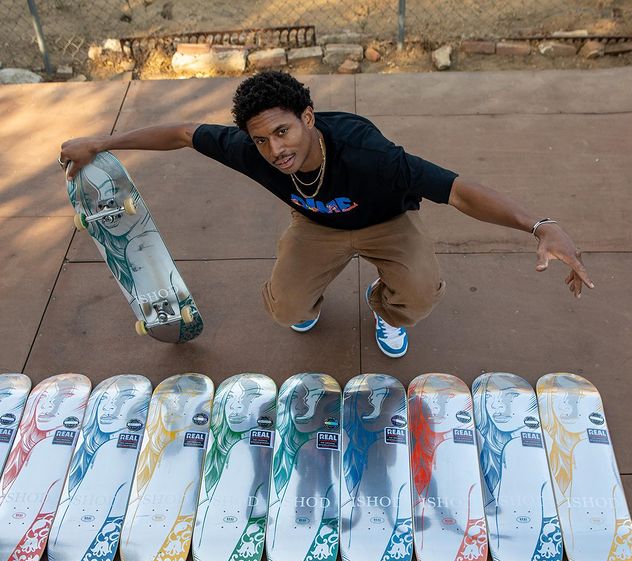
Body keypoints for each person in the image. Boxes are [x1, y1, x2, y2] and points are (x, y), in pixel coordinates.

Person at [60, 71, 593, 358]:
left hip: (387, 222)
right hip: (316, 224)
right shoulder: (252, 148)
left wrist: (539, 225)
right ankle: (309, 297)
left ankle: (383, 308)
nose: (275, 149)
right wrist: (101, 142)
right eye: (262, 139)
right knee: (285, 308)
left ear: (308, 118)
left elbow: (459, 191)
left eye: (284, 131)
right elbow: (181, 133)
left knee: (421, 294)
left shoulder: (371, 155)